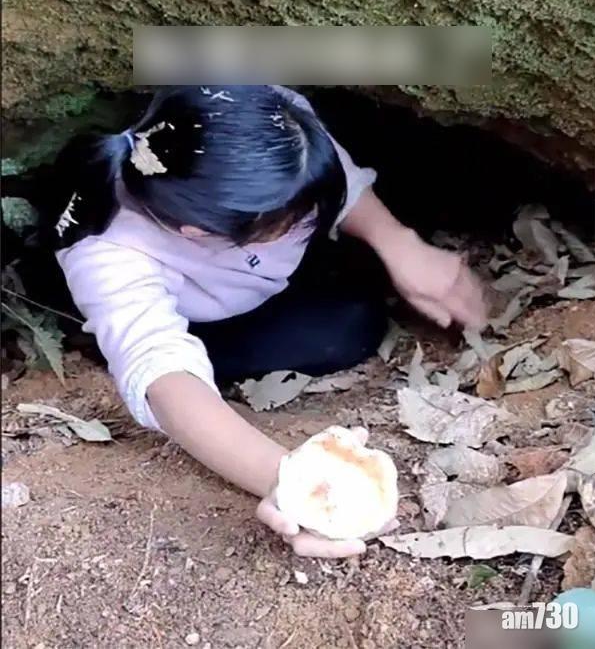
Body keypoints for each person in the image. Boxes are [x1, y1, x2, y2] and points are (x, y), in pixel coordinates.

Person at [52, 85, 486, 557]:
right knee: (345, 328)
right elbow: (161, 371)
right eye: (291, 220)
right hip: (202, 316)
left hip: (257, 267)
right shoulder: (106, 255)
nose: (307, 220)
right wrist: (293, 482)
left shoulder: (260, 110)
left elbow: (329, 175)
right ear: (198, 233)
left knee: (389, 158)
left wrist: (399, 242)